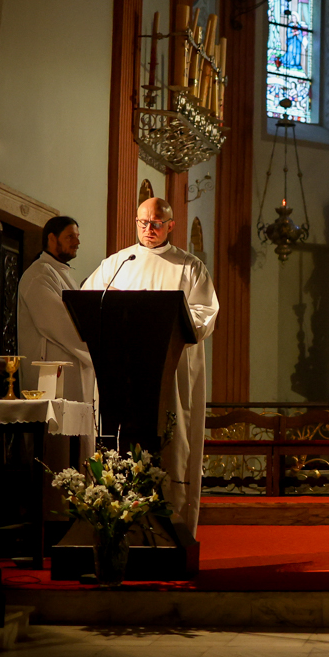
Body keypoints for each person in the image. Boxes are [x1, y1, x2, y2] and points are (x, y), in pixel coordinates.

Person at [82, 197, 219, 540]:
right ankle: (118, 525)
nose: (149, 229)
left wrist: (168, 325)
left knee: (171, 441)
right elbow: (88, 300)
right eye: (143, 223)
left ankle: (172, 527)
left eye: (157, 223)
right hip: (123, 369)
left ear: (171, 225)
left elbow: (204, 313)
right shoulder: (118, 263)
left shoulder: (189, 266)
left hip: (169, 367)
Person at [18, 215, 96, 401]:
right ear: (52, 238)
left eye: (77, 236)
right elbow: (60, 324)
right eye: (70, 237)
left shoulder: (62, 275)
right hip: (51, 375)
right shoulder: (39, 275)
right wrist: (97, 348)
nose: (77, 242)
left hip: (72, 370)